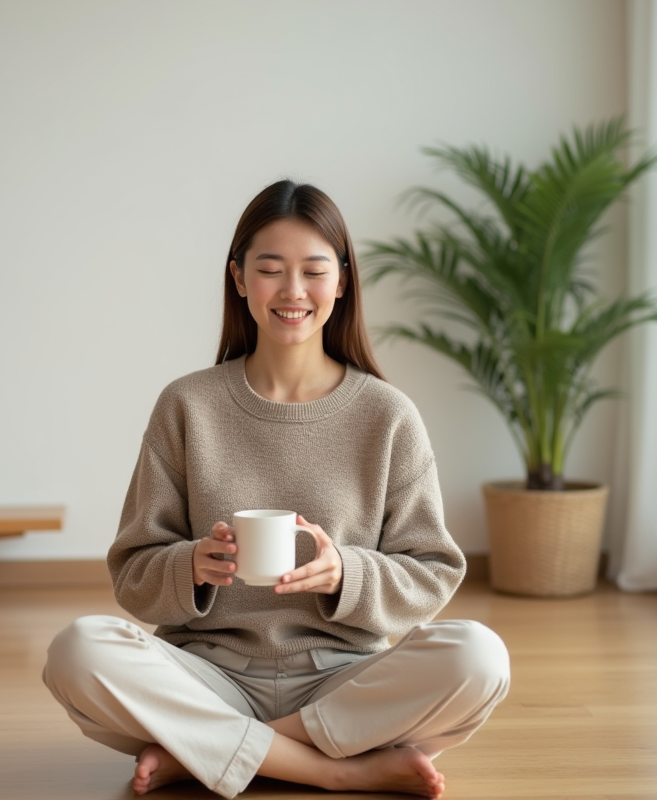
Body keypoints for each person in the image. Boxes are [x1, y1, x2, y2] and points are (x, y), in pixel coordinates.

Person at [43, 179, 510, 799]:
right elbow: (132, 571)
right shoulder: (187, 405)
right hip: (206, 672)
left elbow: (432, 571)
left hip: (343, 676)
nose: (293, 292)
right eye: (270, 270)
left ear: (342, 282)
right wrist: (193, 567)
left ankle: (209, 749)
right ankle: (332, 767)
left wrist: (347, 572)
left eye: (314, 272)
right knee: (78, 651)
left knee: (480, 658)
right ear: (239, 278)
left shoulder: (387, 415)